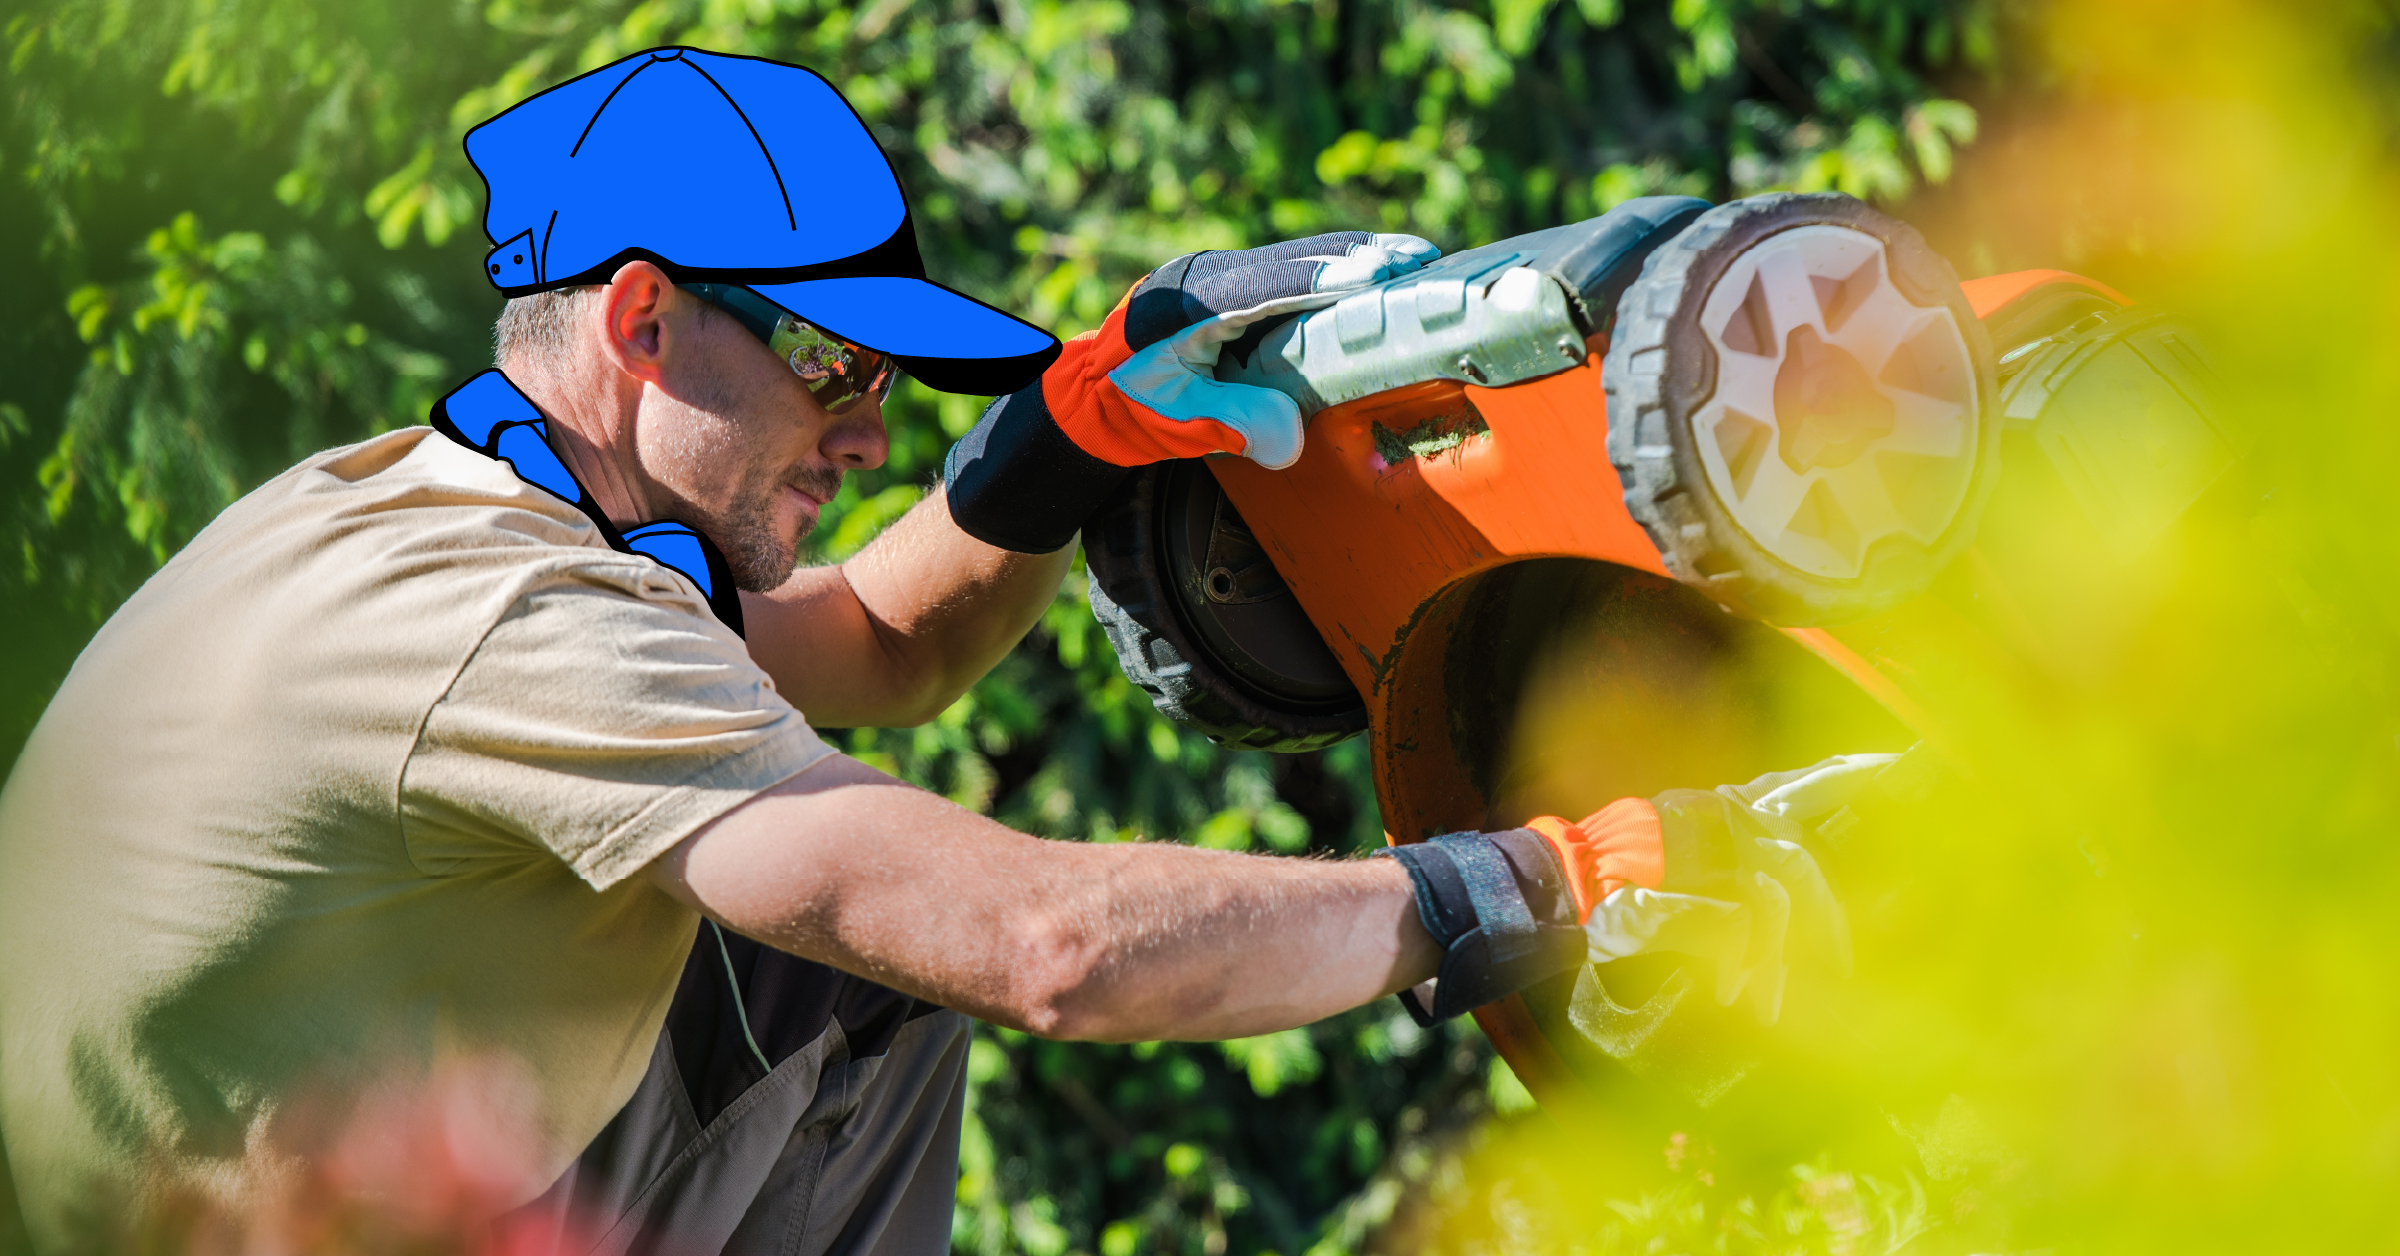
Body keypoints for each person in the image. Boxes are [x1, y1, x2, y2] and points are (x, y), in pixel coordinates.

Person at [0, 47, 1840, 1256]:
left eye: (884, 385)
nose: (868, 432)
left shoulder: (465, 513)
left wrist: (1065, 439)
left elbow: (870, 637)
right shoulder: (506, 623)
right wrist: (1531, 882)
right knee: (891, 940)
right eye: (831, 369)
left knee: (833, 956)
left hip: (306, 1183)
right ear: (642, 319)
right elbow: (1043, 949)